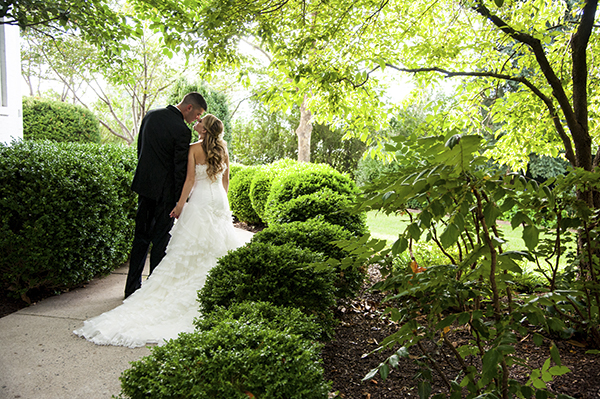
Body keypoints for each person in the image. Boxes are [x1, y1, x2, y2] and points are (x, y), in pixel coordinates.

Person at [74, 114, 248, 348]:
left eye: (199, 123)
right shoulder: (223, 149)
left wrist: (179, 205)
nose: (195, 124)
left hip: (200, 203)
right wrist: (223, 203)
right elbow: (226, 182)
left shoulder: (194, 149)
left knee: (191, 250)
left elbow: (188, 181)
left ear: (204, 131)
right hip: (219, 203)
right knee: (217, 249)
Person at [124, 92, 207, 299]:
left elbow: (140, 149)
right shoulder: (181, 130)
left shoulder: (150, 115)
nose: (197, 119)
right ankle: (153, 291)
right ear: (189, 108)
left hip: (144, 188)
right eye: (197, 114)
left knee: (140, 238)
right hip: (165, 194)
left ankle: (131, 288)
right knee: (160, 242)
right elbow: (179, 169)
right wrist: (180, 201)